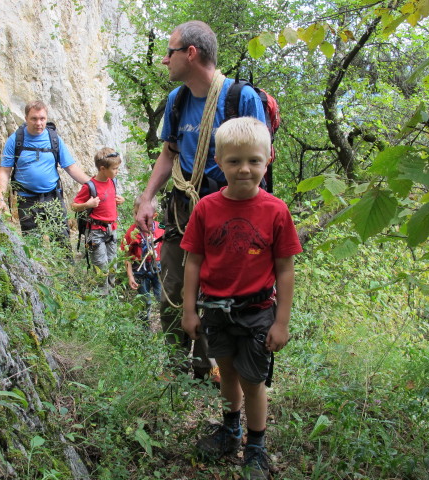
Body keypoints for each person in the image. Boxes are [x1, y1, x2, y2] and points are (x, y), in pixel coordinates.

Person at [134, 20, 267, 380]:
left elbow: (259, 159)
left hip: (228, 212)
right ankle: (175, 370)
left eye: (170, 51)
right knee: (174, 289)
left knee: (217, 291)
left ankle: (209, 368)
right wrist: (147, 198)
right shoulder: (177, 100)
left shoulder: (240, 98)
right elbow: (169, 152)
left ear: (190, 54)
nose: (164, 60)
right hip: (182, 209)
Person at [180, 117, 302, 478]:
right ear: (218, 160)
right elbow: (193, 262)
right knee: (227, 374)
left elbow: (285, 269)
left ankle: (256, 444)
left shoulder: (276, 210)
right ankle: (231, 429)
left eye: (253, 160)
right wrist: (189, 310)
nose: (244, 169)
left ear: (269, 159)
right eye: (234, 161)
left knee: (254, 382)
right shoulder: (206, 208)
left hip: (257, 312)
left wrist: (281, 323)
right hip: (216, 310)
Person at [0, 100, 89, 244]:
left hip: (53, 197)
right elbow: (4, 171)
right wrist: (0, 198)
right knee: (33, 244)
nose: (38, 123)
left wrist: (94, 184)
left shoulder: (54, 139)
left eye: (42, 119)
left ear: (46, 118)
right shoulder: (15, 140)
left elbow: (71, 168)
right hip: (26, 200)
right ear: (26, 118)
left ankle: (64, 266)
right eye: (34, 118)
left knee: (62, 242)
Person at [71, 148, 124, 292]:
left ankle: (111, 296)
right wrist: (87, 205)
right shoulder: (89, 186)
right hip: (95, 232)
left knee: (113, 264)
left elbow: (109, 199)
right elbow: (74, 206)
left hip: (111, 230)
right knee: (101, 265)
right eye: (115, 168)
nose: (117, 171)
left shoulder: (112, 181)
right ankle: (102, 297)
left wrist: (119, 200)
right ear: (102, 169)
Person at [121, 198, 165, 327]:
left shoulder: (161, 228)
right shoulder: (132, 231)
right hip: (139, 271)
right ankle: (144, 327)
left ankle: (166, 323)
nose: (137, 217)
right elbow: (127, 255)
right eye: (135, 213)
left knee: (161, 297)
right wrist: (130, 276)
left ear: (154, 215)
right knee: (145, 300)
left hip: (157, 269)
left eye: (142, 215)